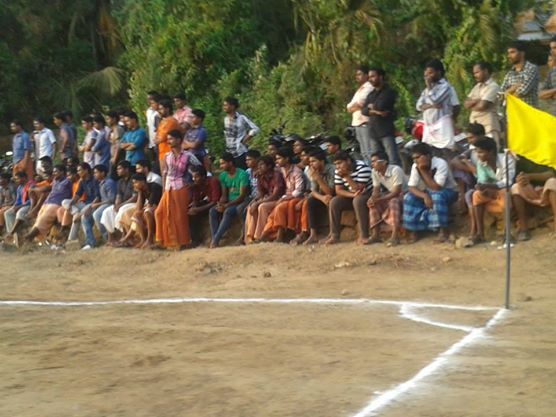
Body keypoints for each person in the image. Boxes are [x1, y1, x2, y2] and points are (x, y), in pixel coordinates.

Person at [403, 143, 458, 243]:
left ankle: (443, 231)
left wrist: (422, 170)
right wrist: (424, 196)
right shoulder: (415, 165)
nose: (415, 160)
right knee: (408, 197)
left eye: (418, 157)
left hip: (449, 191)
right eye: (414, 158)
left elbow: (436, 187)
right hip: (428, 191)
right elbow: (411, 187)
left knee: (436, 196)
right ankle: (414, 230)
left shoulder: (440, 163)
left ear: (428, 156)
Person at [468, 137, 515, 244]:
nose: (478, 155)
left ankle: (507, 233)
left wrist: (488, 186)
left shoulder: (506, 159)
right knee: (476, 195)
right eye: (477, 152)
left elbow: (508, 181)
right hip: (492, 189)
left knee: (504, 194)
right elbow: (482, 180)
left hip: (506, 188)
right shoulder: (481, 163)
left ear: (491, 152)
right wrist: (481, 187)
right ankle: (480, 234)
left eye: (480, 152)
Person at [154, 129, 195, 249]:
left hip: (181, 186)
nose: (169, 141)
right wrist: (163, 190)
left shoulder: (188, 156)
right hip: (168, 187)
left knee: (179, 215)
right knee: (160, 212)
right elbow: (165, 173)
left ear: (178, 140)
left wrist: (192, 183)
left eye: (171, 139)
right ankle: (163, 240)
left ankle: (183, 241)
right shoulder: (167, 156)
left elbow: (199, 169)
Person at [324, 151, 373, 245]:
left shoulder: (362, 168)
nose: (337, 166)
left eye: (339, 163)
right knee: (334, 201)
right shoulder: (338, 171)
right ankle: (335, 235)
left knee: (358, 200)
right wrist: (352, 195)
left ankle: (364, 235)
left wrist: (346, 177)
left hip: (368, 194)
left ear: (348, 161)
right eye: (335, 164)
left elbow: (359, 189)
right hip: (354, 194)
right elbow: (338, 190)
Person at [292, 149, 335, 245]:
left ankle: (332, 233)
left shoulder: (332, 169)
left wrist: (318, 179)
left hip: (335, 195)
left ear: (322, 161)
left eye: (314, 161)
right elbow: (313, 191)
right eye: (310, 162)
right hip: (323, 196)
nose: (311, 164)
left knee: (330, 200)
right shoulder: (314, 171)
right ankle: (313, 234)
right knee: (310, 201)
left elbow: (330, 192)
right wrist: (322, 198)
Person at [261, 147, 305, 243]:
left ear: (287, 159)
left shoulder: (297, 171)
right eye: (276, 159)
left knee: (279, 208)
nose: (277, 161)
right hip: (285, 197)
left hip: (296, 197)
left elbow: (299, 191)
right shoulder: (281, 170)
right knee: (271, 211)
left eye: (279, 158)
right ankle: (266, 234)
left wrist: (285, 198)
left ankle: (279, 235)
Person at [361, 67, 401, 166]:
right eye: (369, 77)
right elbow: (364, 110)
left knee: (392, 160)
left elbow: (381, 106)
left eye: (373, 76)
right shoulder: (371, 94)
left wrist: (372, 107)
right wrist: (377, 112)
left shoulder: (389, 92)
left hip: (386, 130)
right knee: (377, 161)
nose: (370, 79)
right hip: (373, 132)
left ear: (381, 77)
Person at [23, 165, 72, 245]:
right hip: (47, 203)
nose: (54, 173)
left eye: (56, 171)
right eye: (53, 172)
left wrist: (34, 189)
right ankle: (35, 240)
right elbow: (46, 188)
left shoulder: (67, 181)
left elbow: (46, 189)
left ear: (62, 172)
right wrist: (33, 189)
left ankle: (29, 237)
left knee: (43, 219)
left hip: (56, 204)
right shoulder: (55, 181)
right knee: (39, 218)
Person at [209, 152, 250, 248]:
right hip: (230, 202)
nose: (221, 166)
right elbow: (224, 195)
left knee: (228, 211)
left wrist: (227, 205)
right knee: (212, 211)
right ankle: (215, 236)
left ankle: (215, 239)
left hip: (240, 201)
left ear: (230, 163)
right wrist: (221, 204)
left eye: (223, 163)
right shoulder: (223, 176)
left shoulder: (242, 174)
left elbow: (242, 196)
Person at [416, 59, 456, 156]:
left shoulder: (446, 86)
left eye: (430, 73)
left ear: (438, 72)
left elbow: (436, 100)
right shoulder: (426, 90)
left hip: (442, 124)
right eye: (426, 74)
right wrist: (431, 106)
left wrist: (429, 88)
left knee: (446, 153)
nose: (428, 77)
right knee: (431, 155)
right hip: (429, 126)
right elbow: (418, 106)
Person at [366, 151, 407, 246]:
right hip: (392, 193)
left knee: (393, 201)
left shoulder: (396, 170)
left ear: (384, 162)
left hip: (405, 194)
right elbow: (376, 189)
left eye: (374, 161)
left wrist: (380, 199)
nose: (372, 164)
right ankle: (375, 235)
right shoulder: (374, 172)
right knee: (373, 204)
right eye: (371, 162)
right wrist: (372, 199)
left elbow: (397, 191)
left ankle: (395, 236)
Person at [244, 155, 285, 243]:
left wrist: (258, 203)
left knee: (262, 207)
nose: (259, 167)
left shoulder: (277, 175)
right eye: (258, 165)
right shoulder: (261, 176)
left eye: (261, 165)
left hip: (279, 199)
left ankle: (259, 235)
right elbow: (260, 194)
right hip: (268, 199)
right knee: (250, 207)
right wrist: (254, 201)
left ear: (269, 166)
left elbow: (275, 195)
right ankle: (249, 237)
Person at [511, 165, 556, 240]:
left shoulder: (547, 155)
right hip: (531, 191)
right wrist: (521, 179)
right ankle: (523, 229)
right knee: (516, 187)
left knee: (552, 181)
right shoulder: (521, 158)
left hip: (547, 191)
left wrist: (530, 176)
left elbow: (551, 174)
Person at [118, 173, 162, 248]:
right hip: (152, 207)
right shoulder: (142, 190)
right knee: (137, 214)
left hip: (161, 206)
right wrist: (139, 193)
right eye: (133, 183)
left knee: (147, 212)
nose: (134, 185)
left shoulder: (154, 186)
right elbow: (138, 208)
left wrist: (143, 209)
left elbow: (151, 204)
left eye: (136, 182)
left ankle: (149, 239)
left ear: (143, 182)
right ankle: (143, 240)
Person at [61, 163, 99, 248]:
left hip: (93, 204)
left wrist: (87, 209)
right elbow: (77, 195)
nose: (78, 172)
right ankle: (76, 213)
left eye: (79, 170)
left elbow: (98, 197)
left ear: (86, 170)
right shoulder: (82, 181)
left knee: (79, 218)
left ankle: (85, 242)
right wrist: (71, 204)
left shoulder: (94, 180)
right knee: (65, 202)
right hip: (84, 204)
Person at [450, 122, 485, 212]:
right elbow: (454, 161)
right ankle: (461, 195)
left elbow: (485, 173)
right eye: (468, 138)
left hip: (488, 182)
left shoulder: (489, 150)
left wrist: (467, 163)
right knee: (458, 169)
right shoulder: (472, 150)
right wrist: (471, 169)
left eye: (471, 137)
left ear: (481, 136)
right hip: (476, 179)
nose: (469, 141)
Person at [464, 62, 501, 145]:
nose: (475, 75)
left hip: (488, 127)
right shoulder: (477, 87)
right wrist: (477, 100)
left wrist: (473, 104)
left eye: (477, 72)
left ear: (485, 71)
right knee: (475, 155)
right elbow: (466, 104)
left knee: (489, 153)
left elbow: (482, 106)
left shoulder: (493, 86)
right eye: (474, 73)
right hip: (474, 129)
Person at [100, 160, 136, 245]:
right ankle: (111, 238)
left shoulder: (134, 179)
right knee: (107, 211)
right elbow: (118, 196)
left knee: (122, 209)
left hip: (133, 203)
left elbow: (135, 197)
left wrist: (121, 205)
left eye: (120, 169)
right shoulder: (120, 181)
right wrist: (117, 205)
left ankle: (125, 237)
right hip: (123, 204)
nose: (117, 171)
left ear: (126, 169)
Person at [81, 164, 116, 248]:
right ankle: (90, 242)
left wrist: (97, 204)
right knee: (85, 216)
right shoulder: (100, 183)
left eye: (96, 172)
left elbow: (111, 200)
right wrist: (91, 206)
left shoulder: (109, 183)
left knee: (96, 214)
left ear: (103, 173)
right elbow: (99, 197)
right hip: (103, 204)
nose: (94, 174)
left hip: (110, 204)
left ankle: (107, 238)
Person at [346, 65, 374, 163]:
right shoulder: (360, 89)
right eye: (357, 75)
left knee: (369, 149)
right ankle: (369, 171)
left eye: (360, 74)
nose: (357, 77)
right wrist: (353, 107)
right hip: (357, 122)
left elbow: (361, 102)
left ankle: (373, 170)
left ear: (366, 75)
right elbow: (349, 106)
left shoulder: (369, 87)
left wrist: (353, 107)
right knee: (364, 151)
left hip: (365, 121)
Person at [223, 96, 260, 169]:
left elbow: (255, 129)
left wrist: (245, 139)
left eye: (226, 105)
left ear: (232, 106)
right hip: (229, 152)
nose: (224, 107)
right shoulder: (225, 119)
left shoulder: (242, 118)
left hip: (240, 151)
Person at [500, 41, 540, 108]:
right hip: (513, 113)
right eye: (508, 53)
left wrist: (507, 94)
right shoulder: (509, 73)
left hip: (528, 113)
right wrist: (514, 87)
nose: (509, 56)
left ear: (522, 53)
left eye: (512, 52)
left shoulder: (531, 68)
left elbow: (522, 91)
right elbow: (500, 95)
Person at [189, 165, 221, 246]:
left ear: (203, 176)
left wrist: (198, 209)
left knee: (210, 211)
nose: (194, 179)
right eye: (193, 177)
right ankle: (195, 240)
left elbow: (215, 201)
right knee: (190, 213)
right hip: (208, 202)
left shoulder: (213, 181)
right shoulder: (197, 184)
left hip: (218, 203)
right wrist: (194, 206)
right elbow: (196, 199)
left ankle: (214, 238)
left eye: (196, 177)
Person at [3, 172, 34, 241]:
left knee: (20, 212)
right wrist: (15, 206)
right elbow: (18, 200)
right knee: (7, 213)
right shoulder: (19, 187)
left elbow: (31, 200)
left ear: (23, 178)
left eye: (17, 179)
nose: (16, 181)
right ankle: (13, 235)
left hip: (29, 205)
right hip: (21, 205)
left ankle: (12, 232)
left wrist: (19, 206)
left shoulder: (31, 185)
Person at [155, 97, 183, 163]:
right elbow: (156, 137)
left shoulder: (171, 121)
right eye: (159, 109)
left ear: (167, 109)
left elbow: (161, 138)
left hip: (169, 153)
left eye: (161, 109)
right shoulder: (163, 121)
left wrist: (157, 139)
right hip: (162, 153)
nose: (159, 111)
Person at [538, 39, 556, 115]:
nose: (552, 51)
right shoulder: (551, 72)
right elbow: (540, 94)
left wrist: (550, 93)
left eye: (555, 48)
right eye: (551, 48)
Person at [107, 110, 125, 179]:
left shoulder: (118, 129)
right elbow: (109, 140)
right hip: (113, 157)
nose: (107, 121)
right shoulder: (112, 129)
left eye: (108, 119)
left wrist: (115, 158)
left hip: (118, 157)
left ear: (114, 119)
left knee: (114, 178)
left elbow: (118, 145)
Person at [145, 91, 161, 165]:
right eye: (148, 99)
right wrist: (147, 141)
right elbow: (148, 126)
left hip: (158, 140)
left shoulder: (159, 113)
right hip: (151, 141)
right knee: (153, 162)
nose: (149, 101)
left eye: (150, 99)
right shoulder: (148, 111)